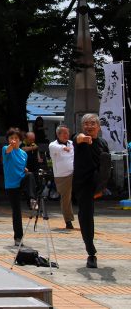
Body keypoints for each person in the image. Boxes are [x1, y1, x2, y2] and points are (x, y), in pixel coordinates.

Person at [73, 113, 110, 268]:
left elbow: (106, 166)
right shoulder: (79, 139)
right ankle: (91, 252)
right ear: (83, 127)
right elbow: (78, 138)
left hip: (97, 181)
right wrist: (83, 138)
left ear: (98, 126)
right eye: (86, 123)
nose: (89, 126)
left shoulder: (102, 142)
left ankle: (102, 187)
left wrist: (102, 186)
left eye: (93, 123)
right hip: (83, 184)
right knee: (86, 216)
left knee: (105, 158)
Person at [2, 127, 36, 246]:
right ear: (8, 140)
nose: (14, 140)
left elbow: (21, 167)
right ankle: (18, 238)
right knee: (16, 212)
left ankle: (32, 199)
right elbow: (8, 152)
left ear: (20, 140)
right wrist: (11, 145)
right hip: (11, 185)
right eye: (11, 138)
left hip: (21, 180)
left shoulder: (23, 154)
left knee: (30, 175)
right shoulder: (6, 148)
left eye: (16, 138)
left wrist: (24, 169)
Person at [49, 125, 75, 230]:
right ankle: (68, 220)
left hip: (74, 172)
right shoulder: (53, 145)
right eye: (64, 133)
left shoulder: (72, 143)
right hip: (62, 176)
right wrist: (63, 147)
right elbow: (58, 148)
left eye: (67, 133)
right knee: (66, 198)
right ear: (58, 134)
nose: (66, 135)